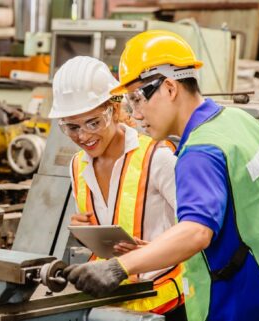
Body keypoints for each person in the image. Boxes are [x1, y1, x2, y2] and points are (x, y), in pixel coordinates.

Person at [61, 31, 259, 321]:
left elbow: (197, 232)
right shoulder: (239, 122)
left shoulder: (199, 151)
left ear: (170, 88)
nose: (135, 115)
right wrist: (157, 249)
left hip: (248, 301)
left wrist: (118, 268)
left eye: (137, 99)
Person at [50, 56, 186, 319]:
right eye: (72, 127)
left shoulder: (157, 158)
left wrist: (149, 251)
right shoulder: (77, 165)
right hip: (110, 304)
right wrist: (84, 232)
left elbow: (197, 233)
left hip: (166, 304)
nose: (84, 136)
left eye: (93, 122)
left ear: (114, 109)